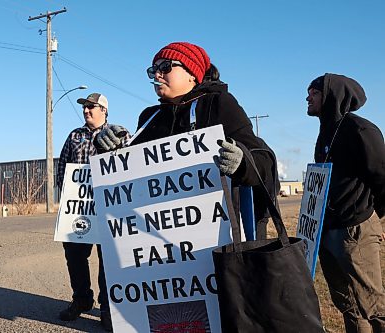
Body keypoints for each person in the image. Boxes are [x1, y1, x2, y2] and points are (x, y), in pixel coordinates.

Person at [96, 42, 276, 221]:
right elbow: (132, 175)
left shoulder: (218, 104)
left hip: (221, 234)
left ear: (192, 74)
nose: (157, 74)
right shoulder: (149, 117)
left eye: (166, 67)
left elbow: (262, 163)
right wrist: (110, 148)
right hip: (161, 233)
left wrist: (242, 164)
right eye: (154, 70)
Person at [306, 73, 385, 333]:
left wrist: (370, 215)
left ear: (330, 95)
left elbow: (381, 174)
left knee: (372, 304)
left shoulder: (361, 130)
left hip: (355, 229)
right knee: (347, 303)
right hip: (328, 230)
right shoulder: (325, 133)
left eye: (314, 92)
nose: (308, 98)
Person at [56, 93, 130, 332]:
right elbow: (63, 167)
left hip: (109, 208)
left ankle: (108, 307)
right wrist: (67, 195)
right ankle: (81, 299)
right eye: (84, 107)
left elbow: (130, 165)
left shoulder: (121, 134)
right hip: (79, 209)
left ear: (104, 110)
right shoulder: (74, 136)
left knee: (108, 259)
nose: (86, 110)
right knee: (75, 255)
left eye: (91, 107)